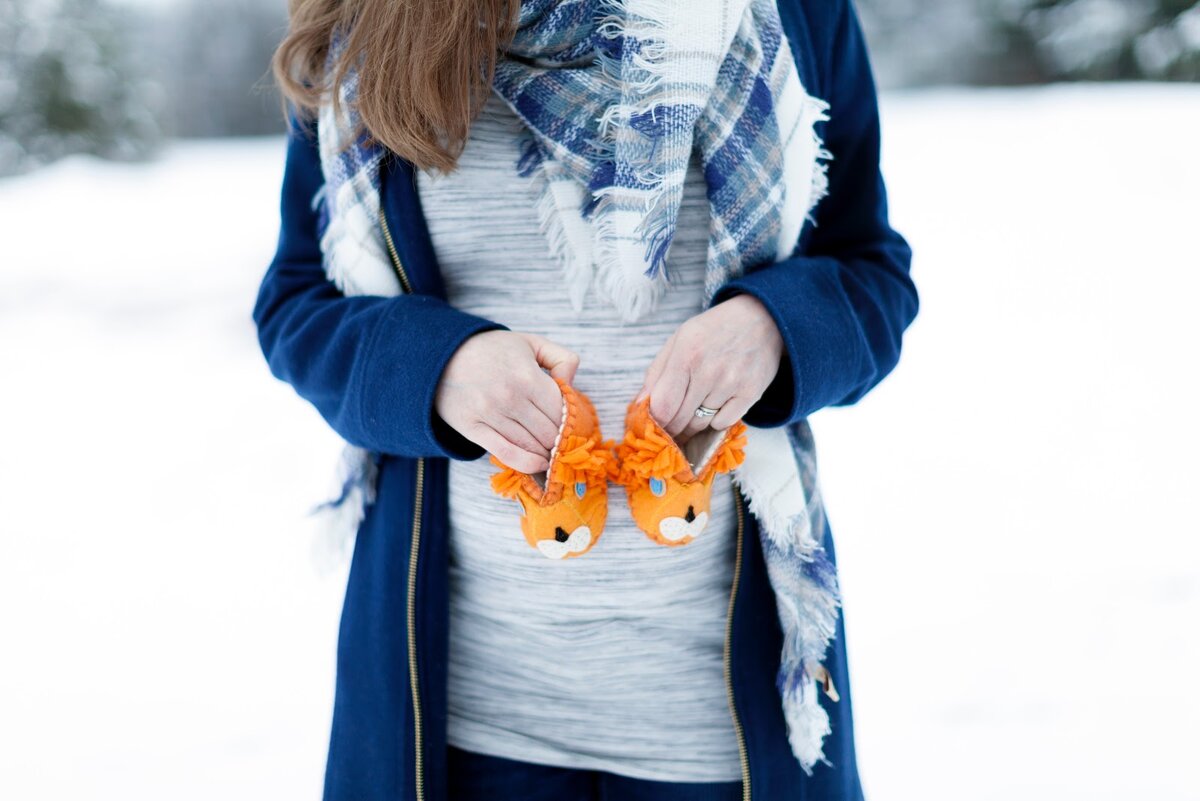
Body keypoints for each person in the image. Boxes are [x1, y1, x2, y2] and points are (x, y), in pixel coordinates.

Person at [254, 1, 917, 799]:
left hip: (718, 726)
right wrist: (436, 366)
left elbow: (871, 272)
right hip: (459, 720)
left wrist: (775, 327)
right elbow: (296, 303)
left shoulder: (792, 13)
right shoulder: (370, 20)